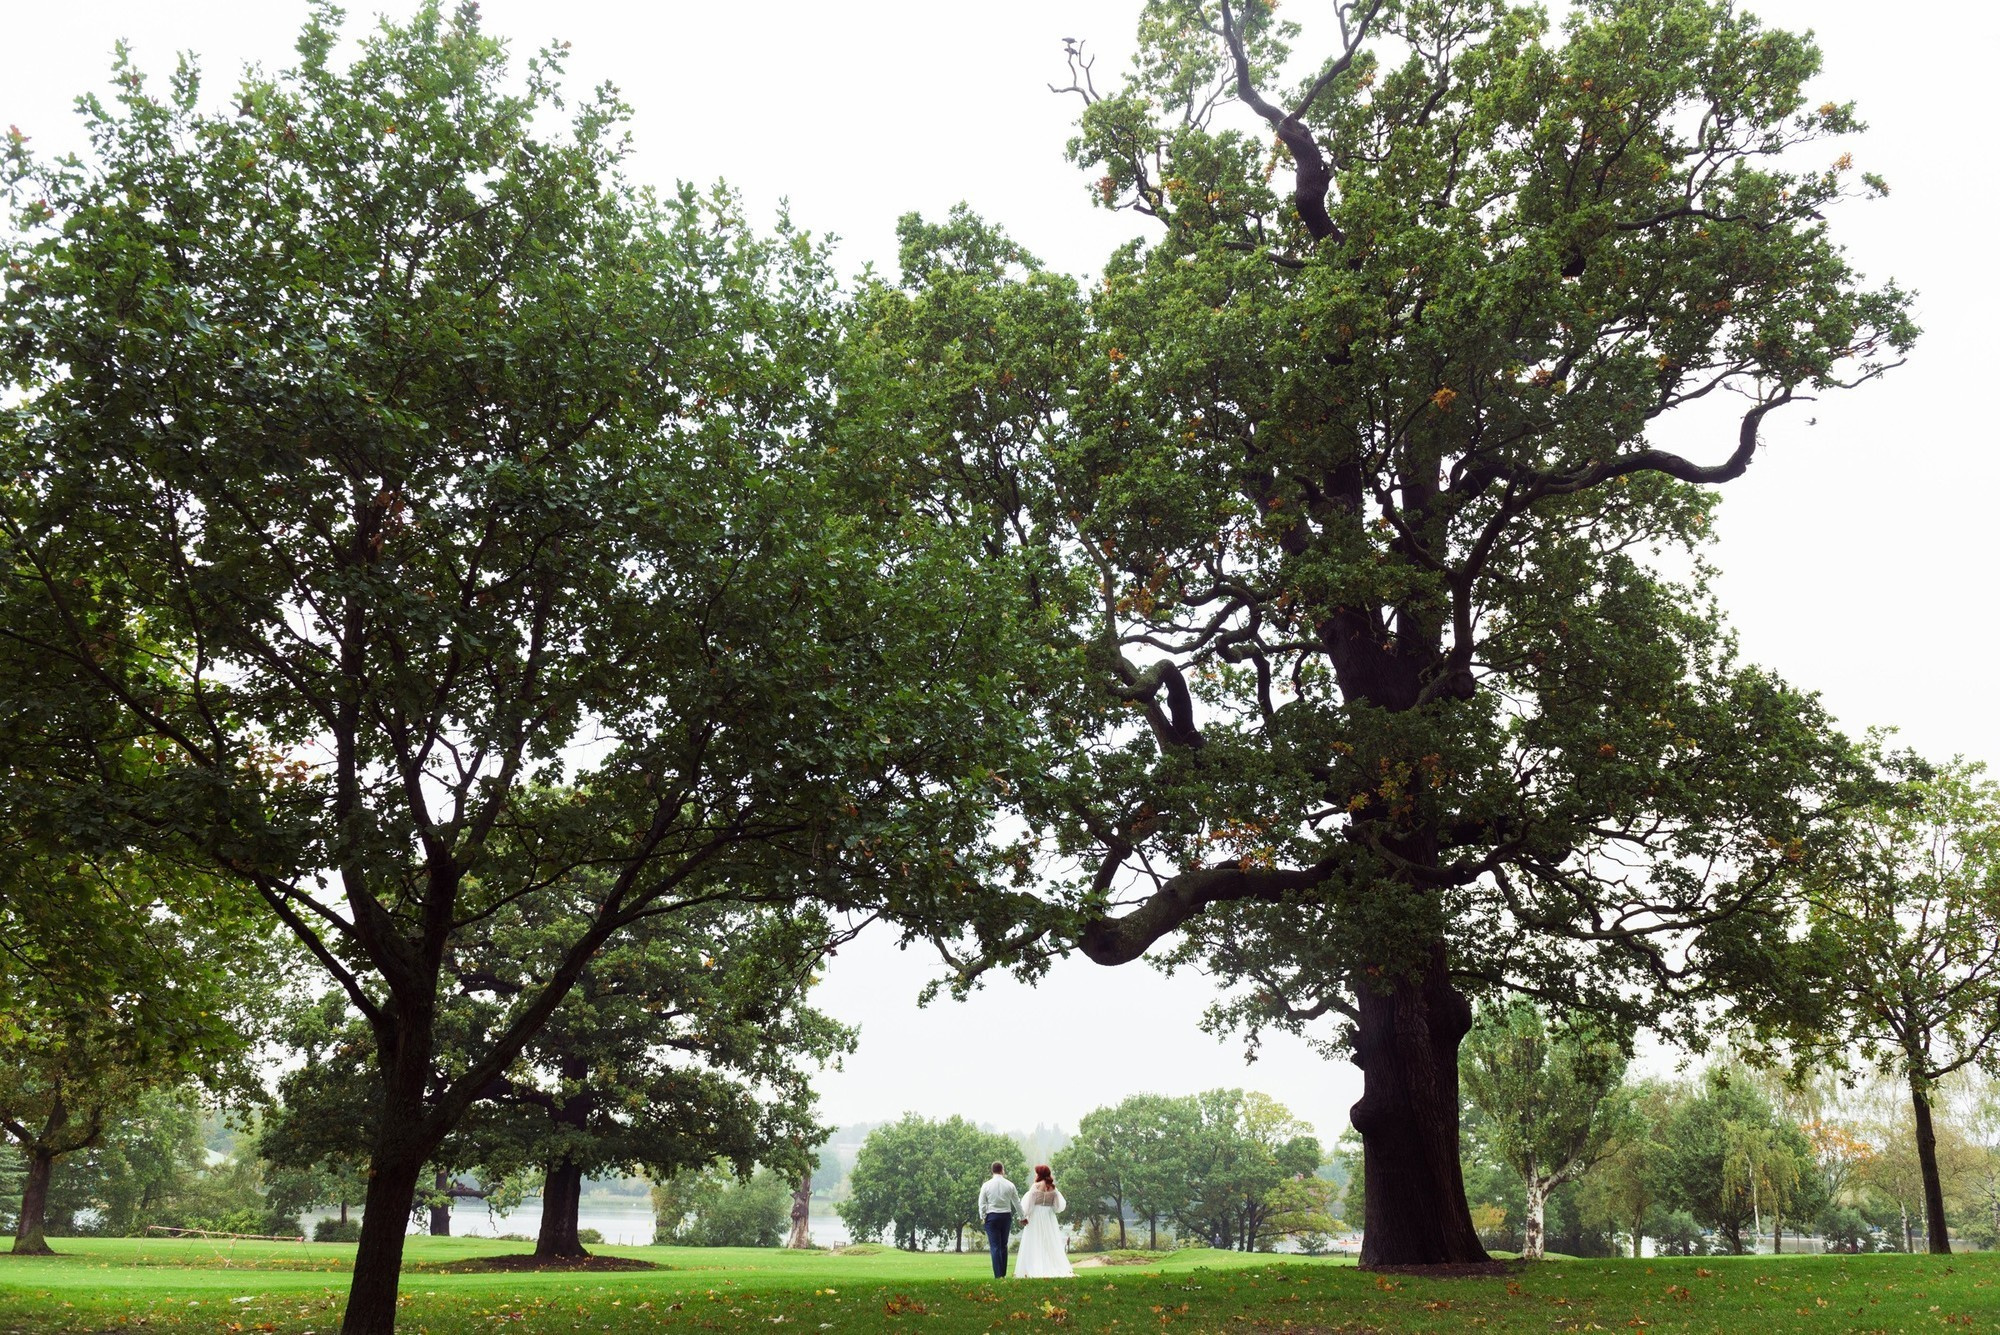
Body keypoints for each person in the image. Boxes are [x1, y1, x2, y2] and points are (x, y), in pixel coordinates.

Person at [1015, 1164, 1072, 1279]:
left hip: (1036, 1216)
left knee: (1035, 1241)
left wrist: (1024, 1216)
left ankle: (1035, 1267)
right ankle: (1050, 1266)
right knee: (1049, 1241)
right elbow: (1058, 1207)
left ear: (1039, 1174)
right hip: (1049, 1216)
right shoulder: (1053, 1188)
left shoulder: (1035, 1186)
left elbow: (1029, 1205)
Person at [976, 1161, 1023, 1279]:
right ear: (1002, 1170)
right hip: (1005, 1216)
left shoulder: (986, 1185)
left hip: (992, 1216)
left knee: (995, 1246)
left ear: (992, 1170)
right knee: (1003, 1245)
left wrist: (982, 1216)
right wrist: (1023, 1217)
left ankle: (998, 1275)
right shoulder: (1010, 1185)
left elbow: (982, 1203)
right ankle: (1002, 1273)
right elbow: (1016, 1202)